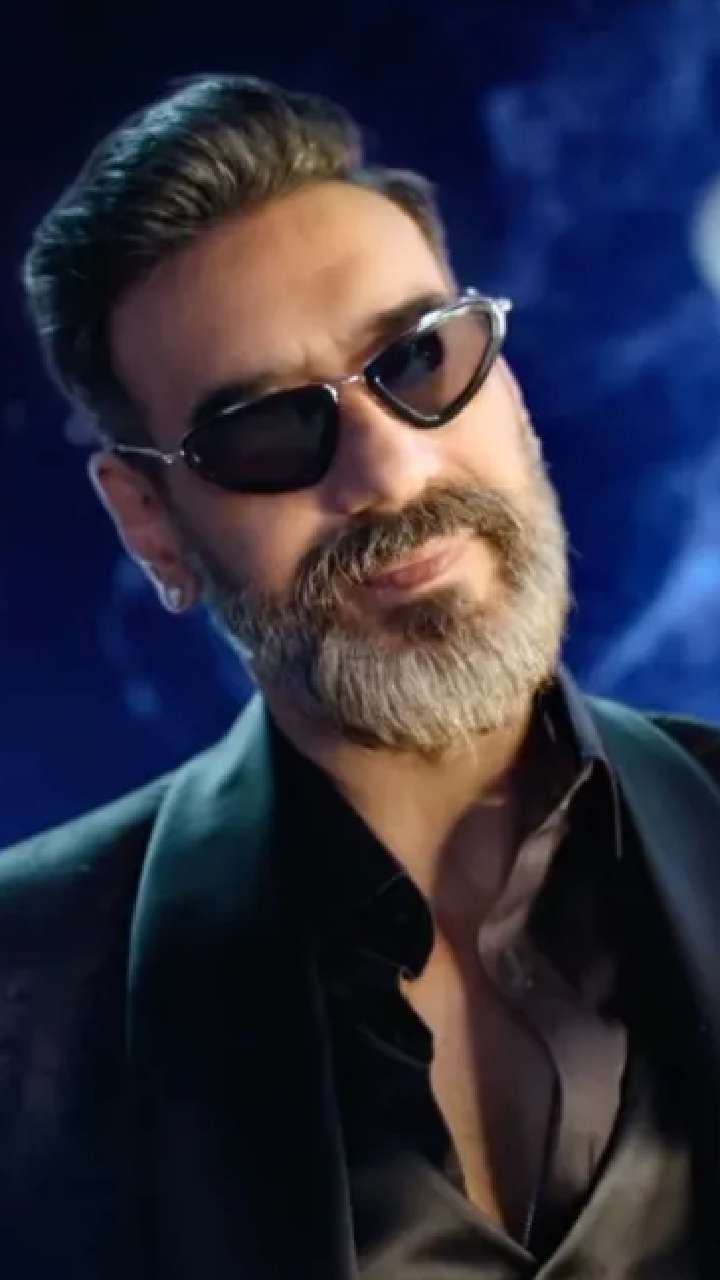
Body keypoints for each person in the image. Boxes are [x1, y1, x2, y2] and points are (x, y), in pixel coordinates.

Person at [6, 73, 720, 1280]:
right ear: (151, 523)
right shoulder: (21, 984)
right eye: (266, 429)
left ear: (509, 387)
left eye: (423, 359)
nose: (390, 470)